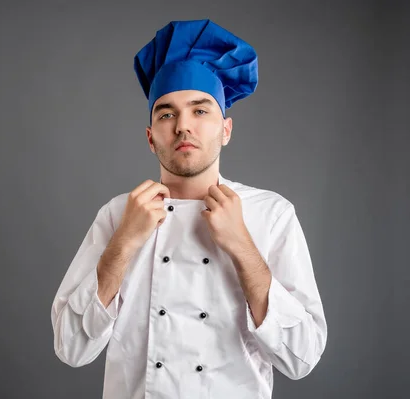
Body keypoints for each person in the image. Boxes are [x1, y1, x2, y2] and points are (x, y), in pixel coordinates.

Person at [51, 19, 327, 398]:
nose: (183, 126)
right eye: (166, 114)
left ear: (225, 130)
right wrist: (124, 243)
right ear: (151, 138)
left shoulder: (271, 214)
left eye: (200, 111)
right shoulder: (117, 216)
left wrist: (242, 246)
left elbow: (302, 356)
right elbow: (71, 348)